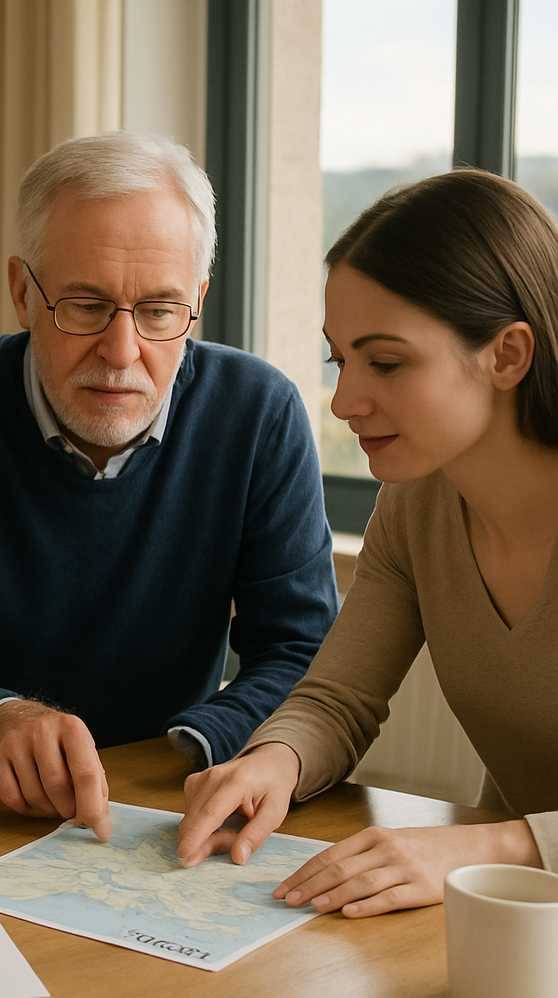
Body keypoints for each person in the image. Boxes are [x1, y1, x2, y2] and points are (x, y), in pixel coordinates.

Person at [0, 130, 337, 841]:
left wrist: (188, 744)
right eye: (85, 305)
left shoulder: (259, 413)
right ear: (23, 291)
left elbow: (303, 652)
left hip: (175, 804)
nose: (121, 350)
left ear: (196, 301)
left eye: (160, 312)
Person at [177, 168, 558, 917]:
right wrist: (272, 762)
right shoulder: (416, 504)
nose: (346, 401)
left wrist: (499, 846)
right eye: (339, 359)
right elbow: (337, 698)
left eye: (385, 362)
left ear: (509, 355)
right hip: (519, 922)